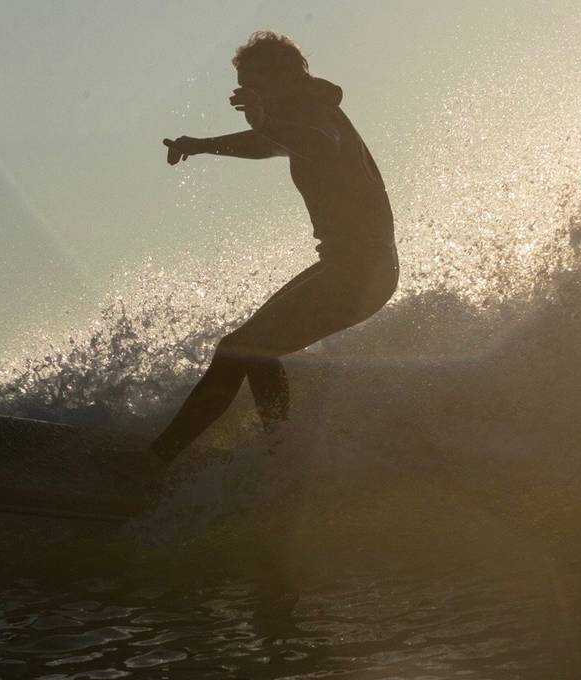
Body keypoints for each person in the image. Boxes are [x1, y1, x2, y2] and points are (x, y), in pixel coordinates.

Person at [147, 31, 398, 464]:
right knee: (253, 348)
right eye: (244, 84)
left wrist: (237, 132)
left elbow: (309, 141)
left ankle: (153, 463)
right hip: (347, 267)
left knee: (238, 348)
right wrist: (228, 136)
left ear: (285, 76)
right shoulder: (301, 115)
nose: (246, 92)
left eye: (253, 82)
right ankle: (282, 455)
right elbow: (275, 144)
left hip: (359, 271)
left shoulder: (318, 112)